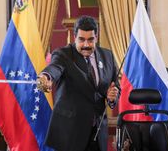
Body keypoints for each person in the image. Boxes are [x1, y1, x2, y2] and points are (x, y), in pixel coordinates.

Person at [37, 15, 119, 151]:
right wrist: (45, 78)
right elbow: (54, 69)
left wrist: (112, 97)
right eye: (81, 40)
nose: (86, 45)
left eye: (90, 40)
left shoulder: (107, 56)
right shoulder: (63, 55)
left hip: (98, 133)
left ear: (96, 37)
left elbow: (114, 86)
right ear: (74, 37)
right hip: (70, 133)